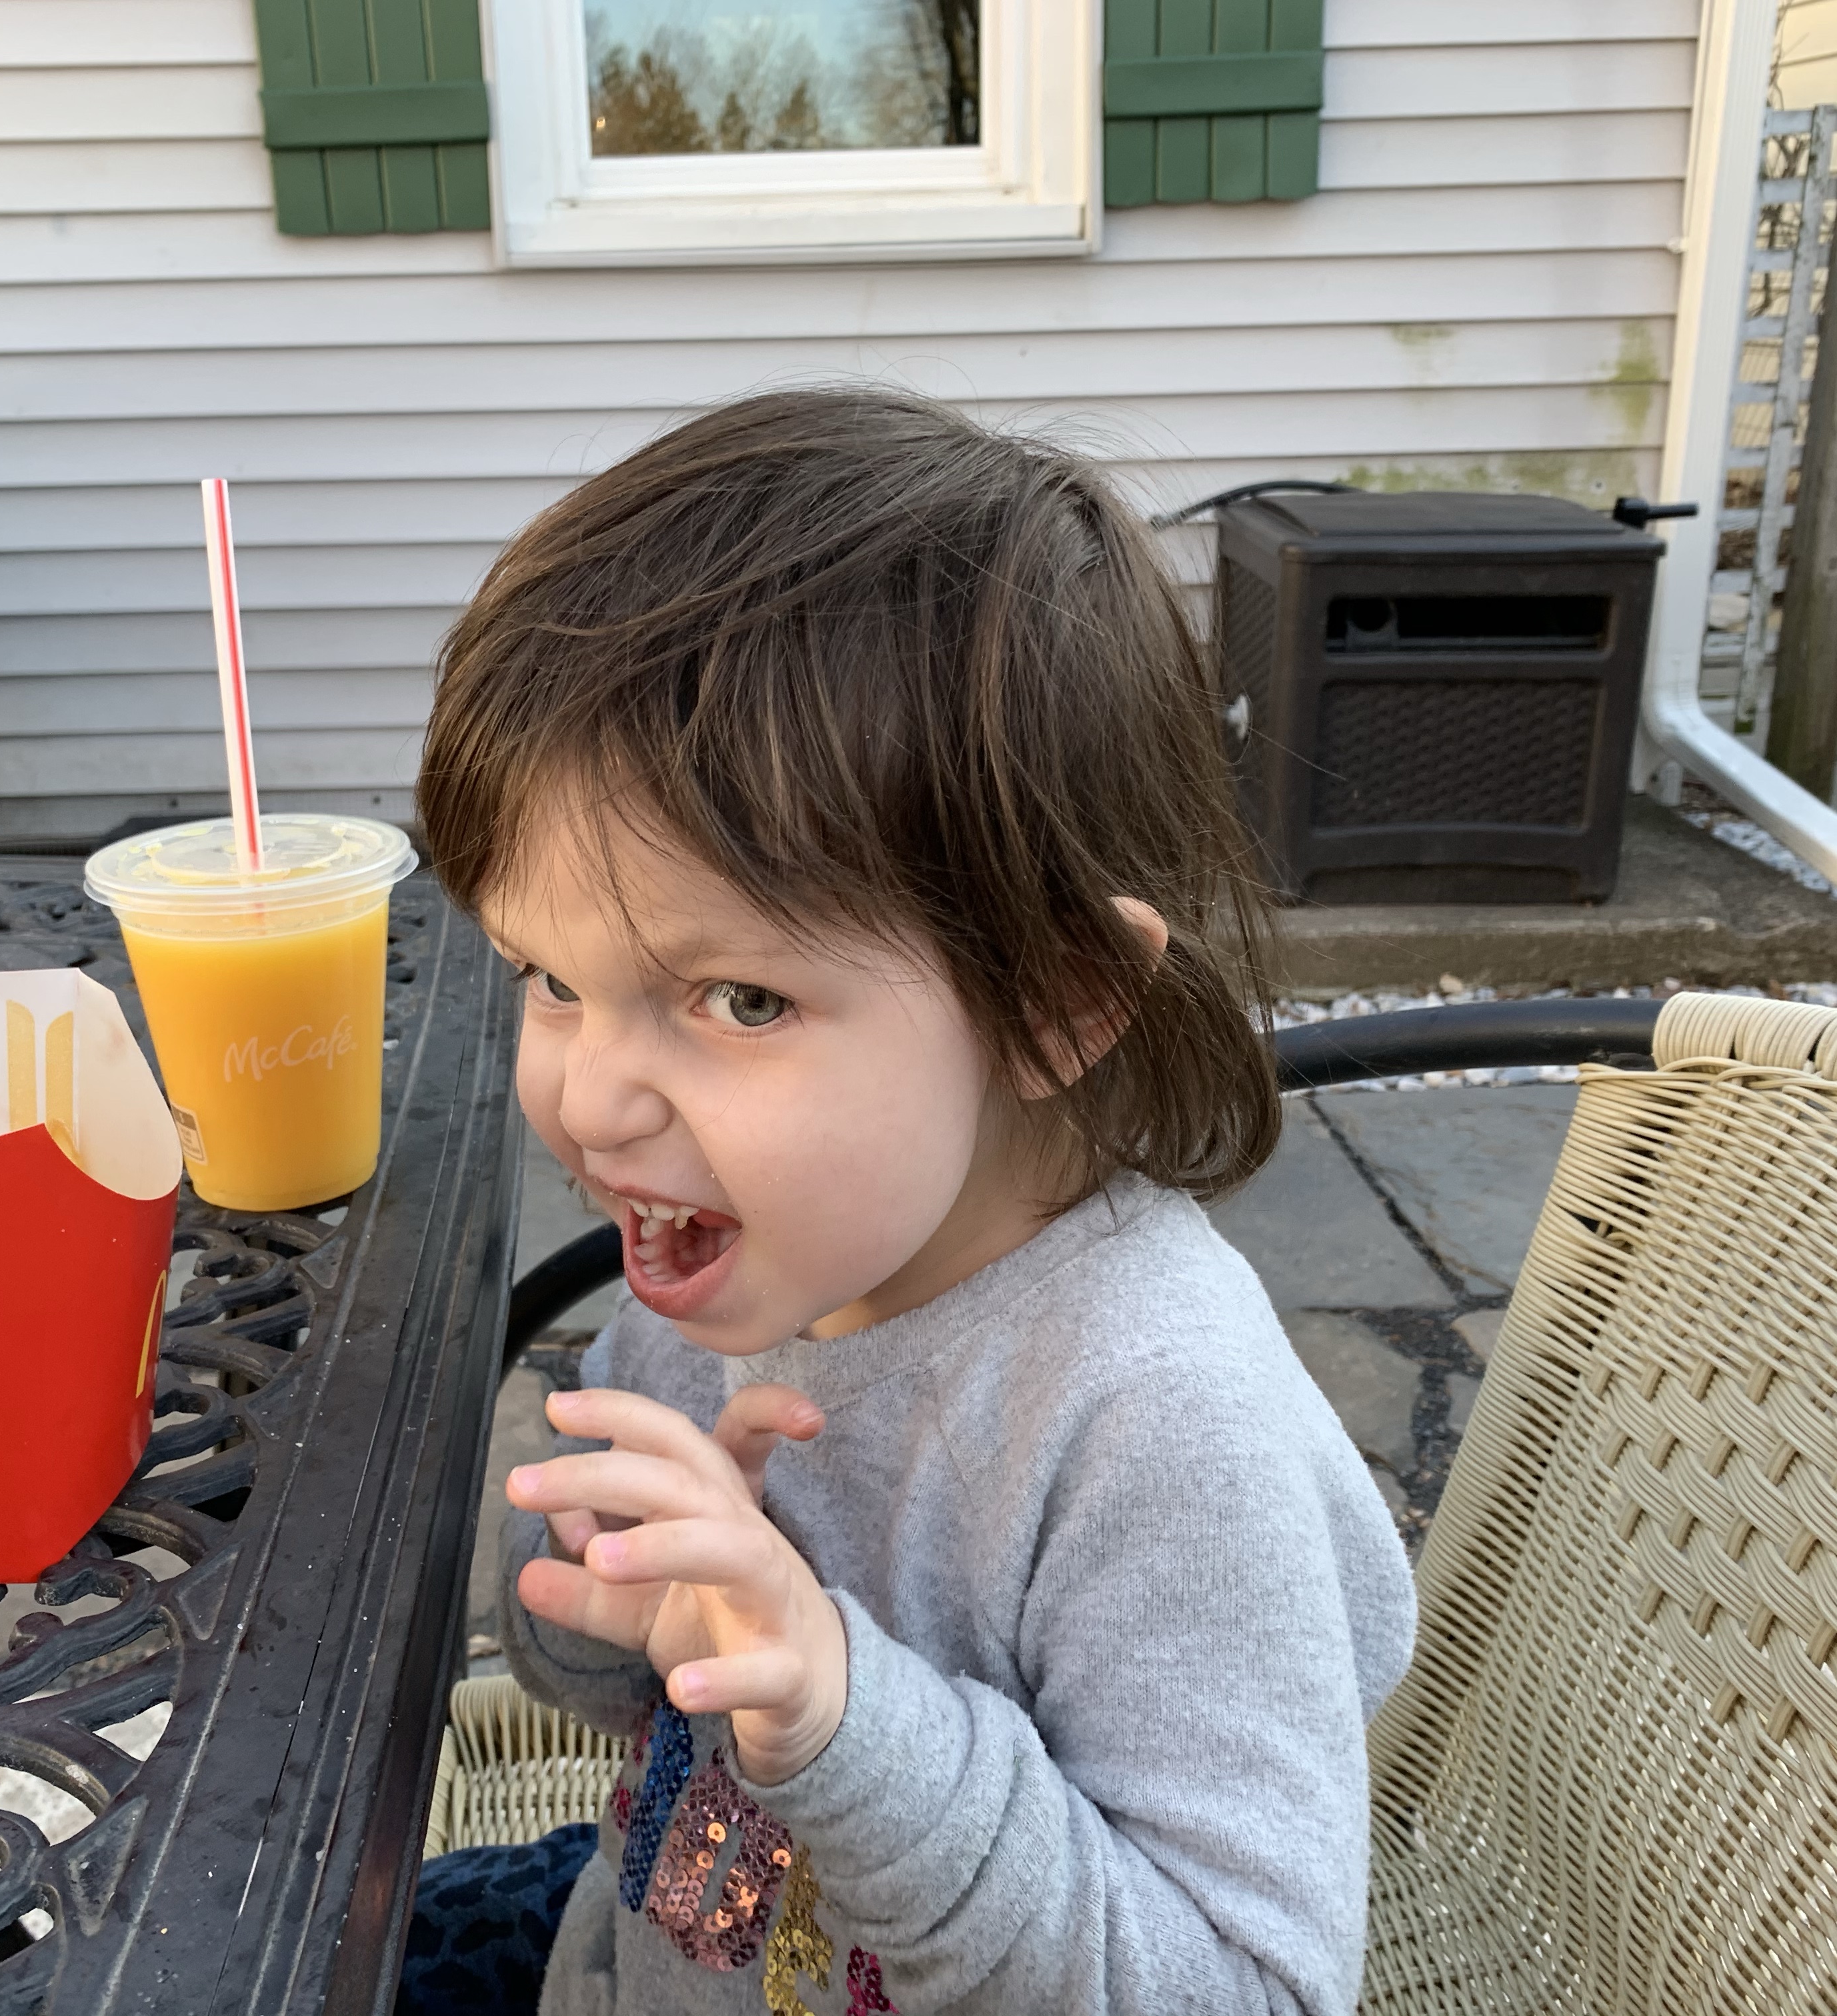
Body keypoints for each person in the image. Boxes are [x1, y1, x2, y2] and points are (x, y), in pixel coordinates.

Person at [401, 386, 1414, 2016]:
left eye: (738, 1000)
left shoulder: (1160, 1431)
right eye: (551, 979)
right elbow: (610, 1694)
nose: (590, 1101)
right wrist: (622, 1606)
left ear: (1056, 1000)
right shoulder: (724, 1266)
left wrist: (840, 1719)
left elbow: (1245, 1987)